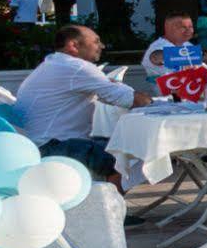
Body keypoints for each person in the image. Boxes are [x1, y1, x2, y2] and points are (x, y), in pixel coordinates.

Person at [8, 23, 133, 177]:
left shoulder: (54, 64)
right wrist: (153, 103)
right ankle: (111, 200)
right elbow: (128, 99)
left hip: (36, 144)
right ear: (73, 45)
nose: (102, 46)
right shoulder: (77, 67)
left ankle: (106, 194)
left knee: (120, 145)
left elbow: (111, 94)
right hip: (51, 147)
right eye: (96, 41)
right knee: (126, 156)